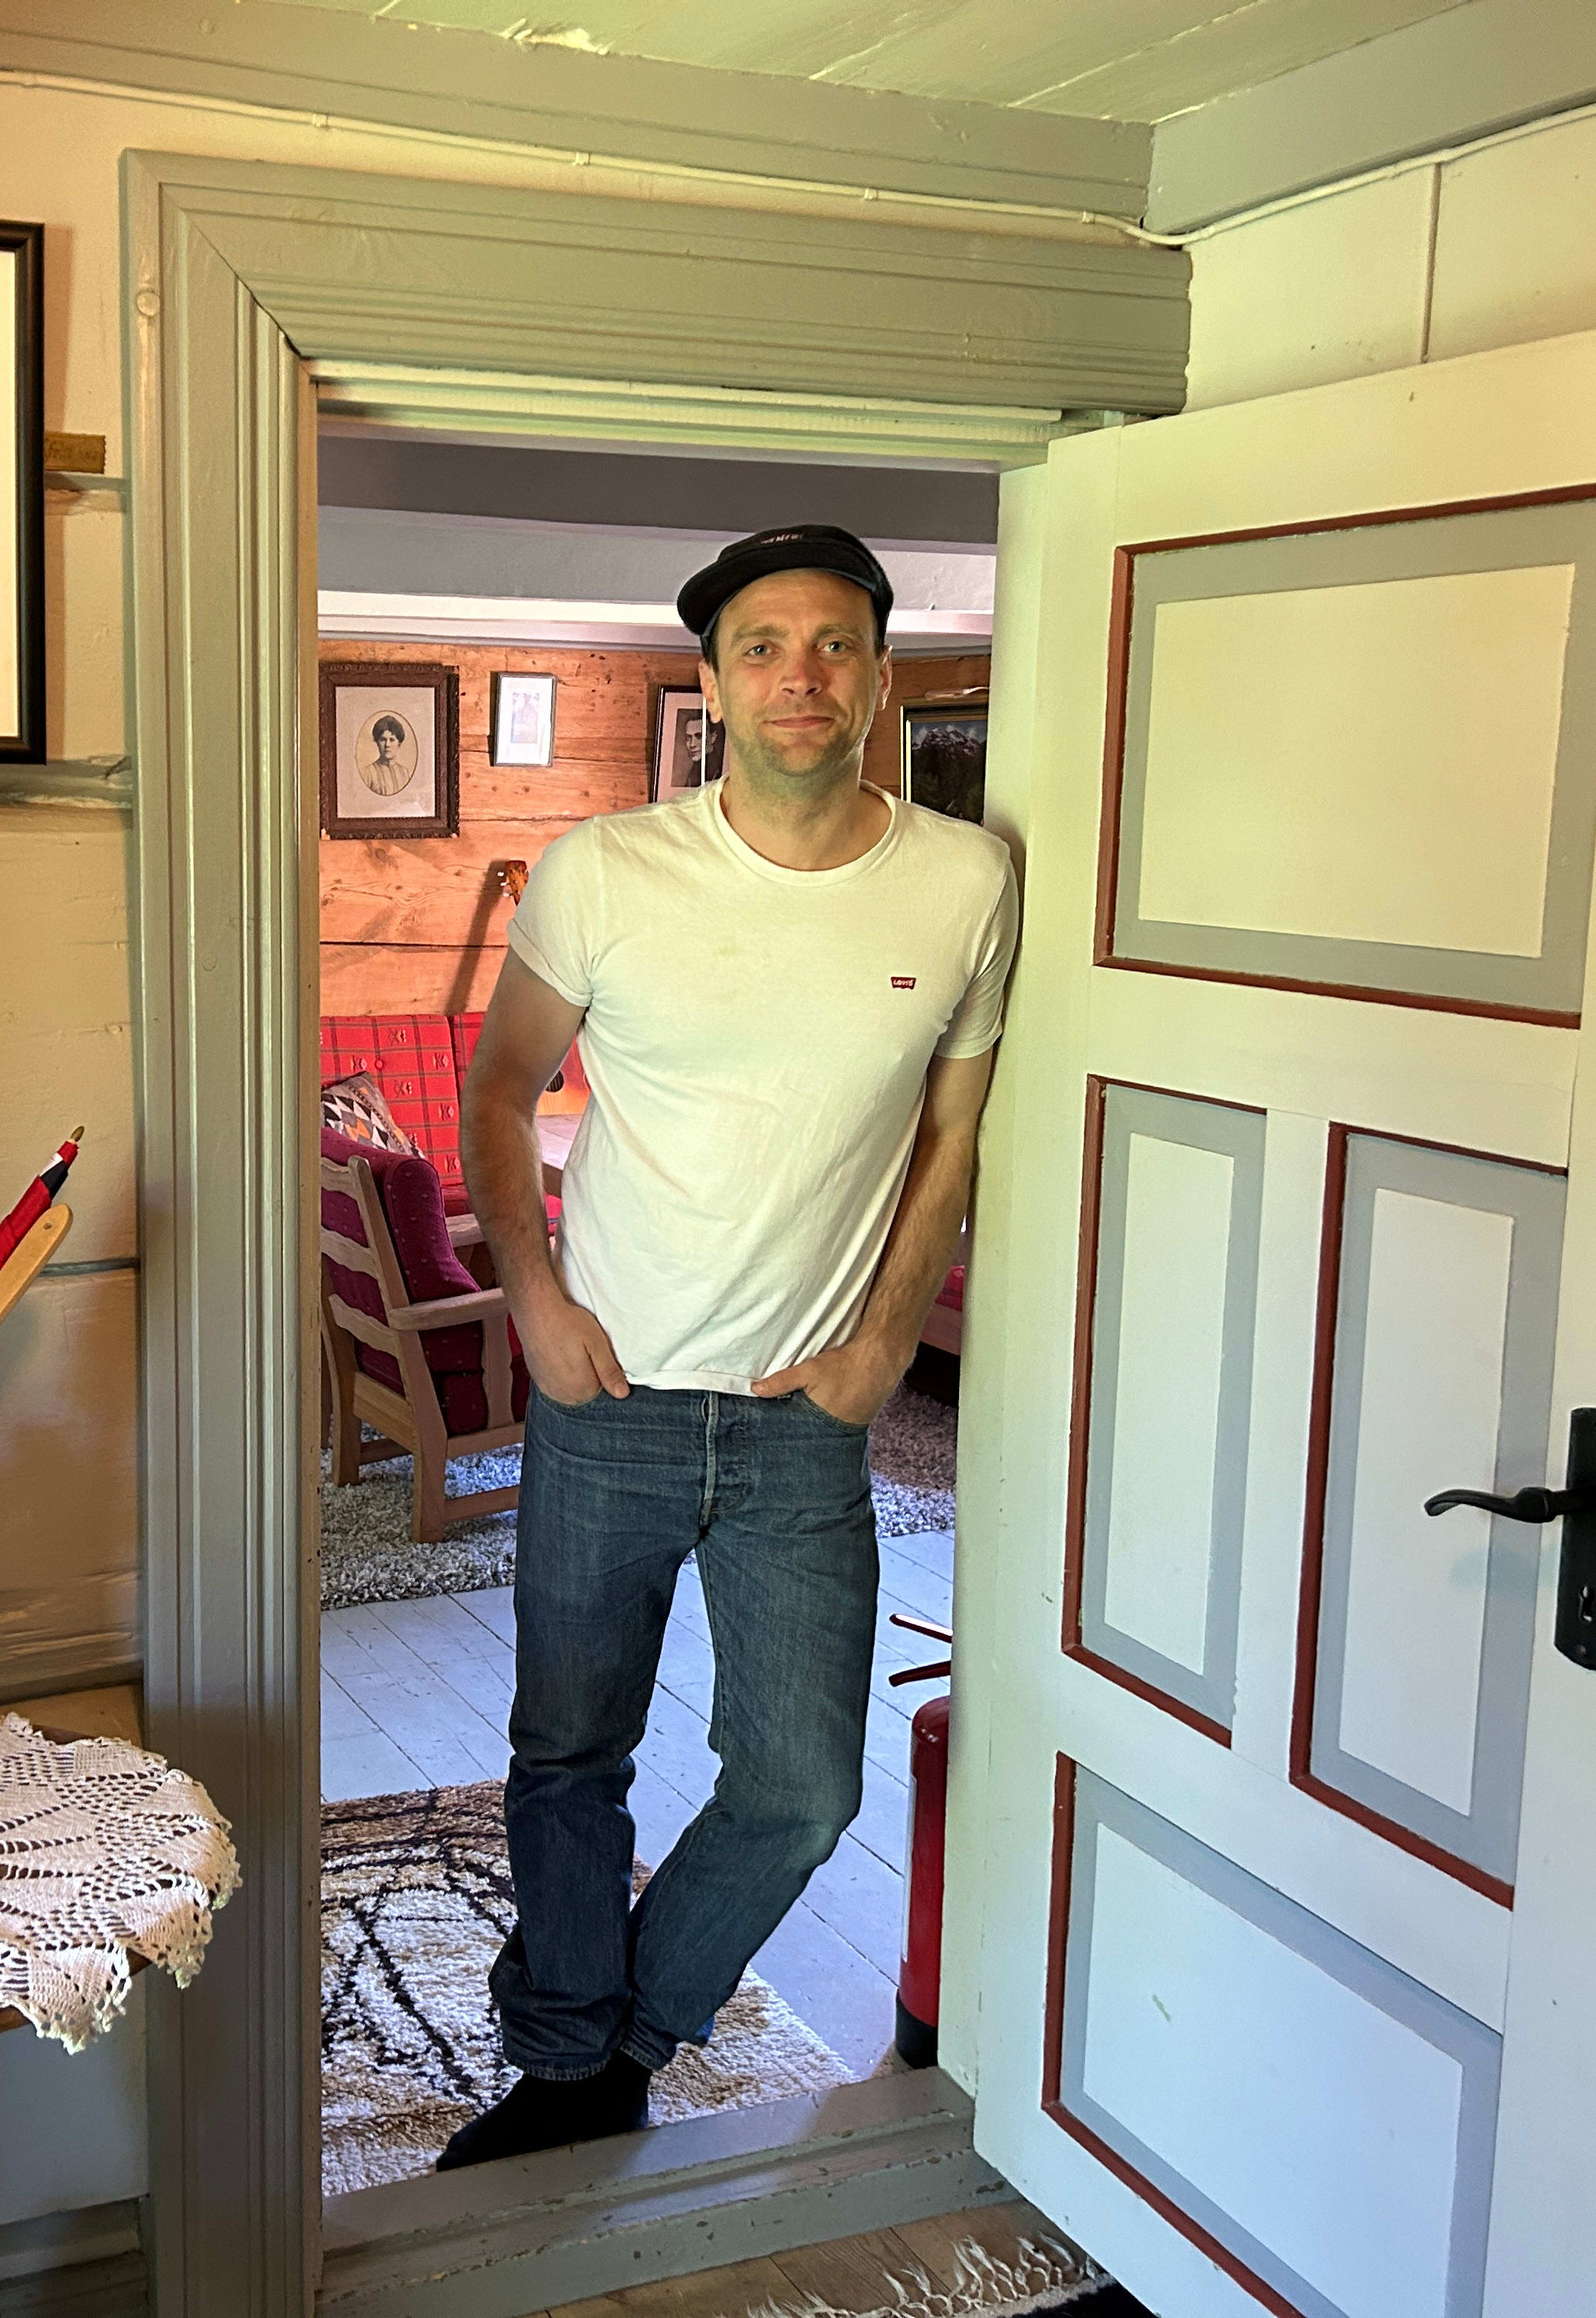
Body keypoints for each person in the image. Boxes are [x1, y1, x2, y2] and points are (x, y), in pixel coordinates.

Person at [438, 524, 1020, 2170]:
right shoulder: (608, 871)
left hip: (801, 1422)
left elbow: (951, 1136)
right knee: (569, 1751)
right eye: (761, 646)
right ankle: (572, 2066)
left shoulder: (966, 883)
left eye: (833, 644)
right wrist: (536, 1302)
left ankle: (616, 2036)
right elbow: (499, 1089)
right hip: (609, 1394)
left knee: (802, 1787)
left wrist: (884, 1344)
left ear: (882, 676)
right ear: (712, 680)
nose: (799, 676)